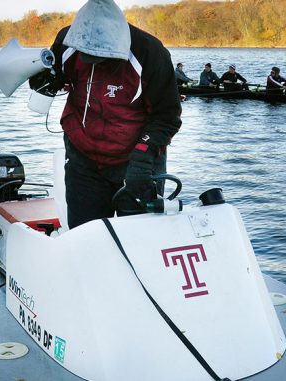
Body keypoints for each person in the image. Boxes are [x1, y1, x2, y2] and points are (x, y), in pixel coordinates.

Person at [47, 0, 182, 229]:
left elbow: (167, 117)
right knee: (86, 236)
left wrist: (142, 156)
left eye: (100, 57)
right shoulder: (67, 41)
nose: (93, 61)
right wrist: (43, 81)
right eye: (87, 55)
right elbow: (55, 77)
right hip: (84, 159)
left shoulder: (150, 52)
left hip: (137, 159)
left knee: (139, 237)